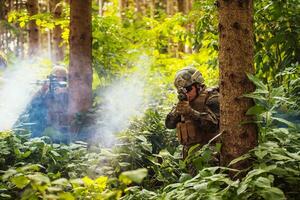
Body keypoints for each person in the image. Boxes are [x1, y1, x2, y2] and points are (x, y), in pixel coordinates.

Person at [165, 67, 220, 159]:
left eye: (189, 89)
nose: (186, 94)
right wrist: (177, 111)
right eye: (182, 90)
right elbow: (169, 124)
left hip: (209, 153)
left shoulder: (212, 98)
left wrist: (190, 112)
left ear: (198, 85)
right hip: (189, 155)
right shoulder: (184, 101)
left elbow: (213, 126)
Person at [16, 65, 69, 143]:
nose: (58, 80)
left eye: (61, 77)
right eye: (55, 77)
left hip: (61, 128)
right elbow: (31, 105)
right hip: (43, 126)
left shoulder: (68, 91)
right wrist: (42, 90)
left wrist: (63, 91)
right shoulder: (45, 90)